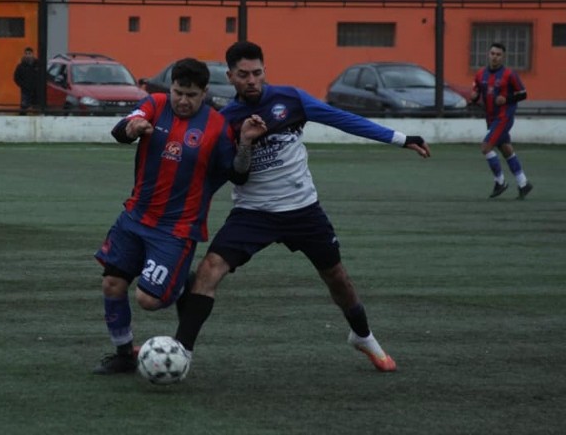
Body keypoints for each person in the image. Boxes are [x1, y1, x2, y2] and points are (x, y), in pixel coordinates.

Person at [174, 41, 432, 373]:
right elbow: (223, 177)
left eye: (257, 72)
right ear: (230, 77)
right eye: (243, 74)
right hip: (253, 213)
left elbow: (341, 119)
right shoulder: (226, 121)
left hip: (303, 210)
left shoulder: (290, 99)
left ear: (265, 71)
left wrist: (400, 138)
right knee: (209, 270)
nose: (251, 80)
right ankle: (181, 352)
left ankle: (363, 335)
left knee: (337, 277)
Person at [92, 58, 267, 374]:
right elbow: (122, 130)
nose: (183, 101)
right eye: (178, 92)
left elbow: (238, 175)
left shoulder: (216, 126)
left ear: (204, 93)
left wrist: (245, 144)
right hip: (134, 218)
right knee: (111, 284)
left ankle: (184, 286)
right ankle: (123, 354)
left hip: (176, 229)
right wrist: (131, 128)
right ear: (169, 88)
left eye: (191, 95)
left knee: (148, 299)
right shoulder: (155, 105)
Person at [469, 42, 532, 199]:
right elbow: (476, 90)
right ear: (488, 54)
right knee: (505, 150)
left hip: (504, 117)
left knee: (485, 147)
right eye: (492, 53)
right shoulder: (480, 74)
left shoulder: (510, 75)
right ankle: (523, 183)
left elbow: (523, 94)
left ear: (503, 57)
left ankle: (500, 182)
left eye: (498, 54)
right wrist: (474, 96)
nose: (495, 57)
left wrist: (507, 98)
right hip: (490, 117)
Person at [13, 47, 40, 114]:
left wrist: (38, 85)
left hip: (36, 91)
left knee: (36, 109)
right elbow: (16, 77)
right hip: (25, 91)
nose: (28, 55)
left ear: (32, 54)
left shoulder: (38, 64)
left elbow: (42, 76)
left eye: (29, 53)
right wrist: (23, 85)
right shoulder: (20, 66)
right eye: (26, 53)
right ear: (24, 54)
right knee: (23, 108)